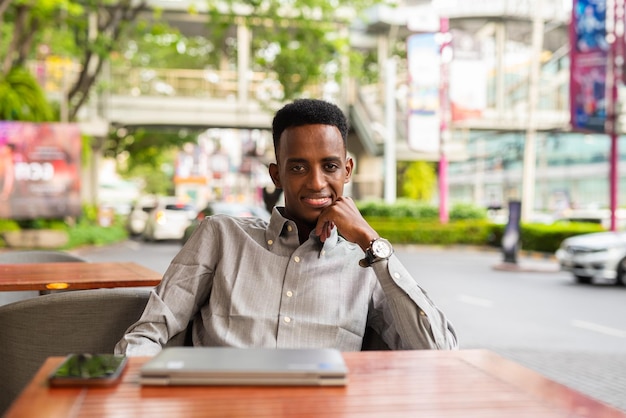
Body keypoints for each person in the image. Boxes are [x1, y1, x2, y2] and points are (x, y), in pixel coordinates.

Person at [115, 99, 458, 356]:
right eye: (298, 168)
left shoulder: (367, 262)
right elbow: (148, 334)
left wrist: (372, 243)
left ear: (347, 170)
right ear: (276, 174)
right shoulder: (220, 236)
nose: (317, 182)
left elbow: (439, 352)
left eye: (330, 166)